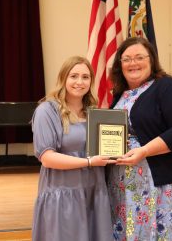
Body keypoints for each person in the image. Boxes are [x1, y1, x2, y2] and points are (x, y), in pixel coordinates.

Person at [107, 37, 172, 240]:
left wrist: (144, 150)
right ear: (119, 65)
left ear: (151, 60)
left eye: (139, 57)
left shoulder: (167, 86)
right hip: (125, 185)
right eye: (126, 59)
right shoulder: (120, 94)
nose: (133, 63)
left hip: (162, 184)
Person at [31, 56, 116, 241]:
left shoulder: (94, 112)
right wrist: (88, 162)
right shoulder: (47, 111)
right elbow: (47, 157)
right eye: (74, 76)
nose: (79, 82)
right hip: (64, 194)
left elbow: (105, 149)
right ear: (63, 78)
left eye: (85, 77)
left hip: (94, 192)